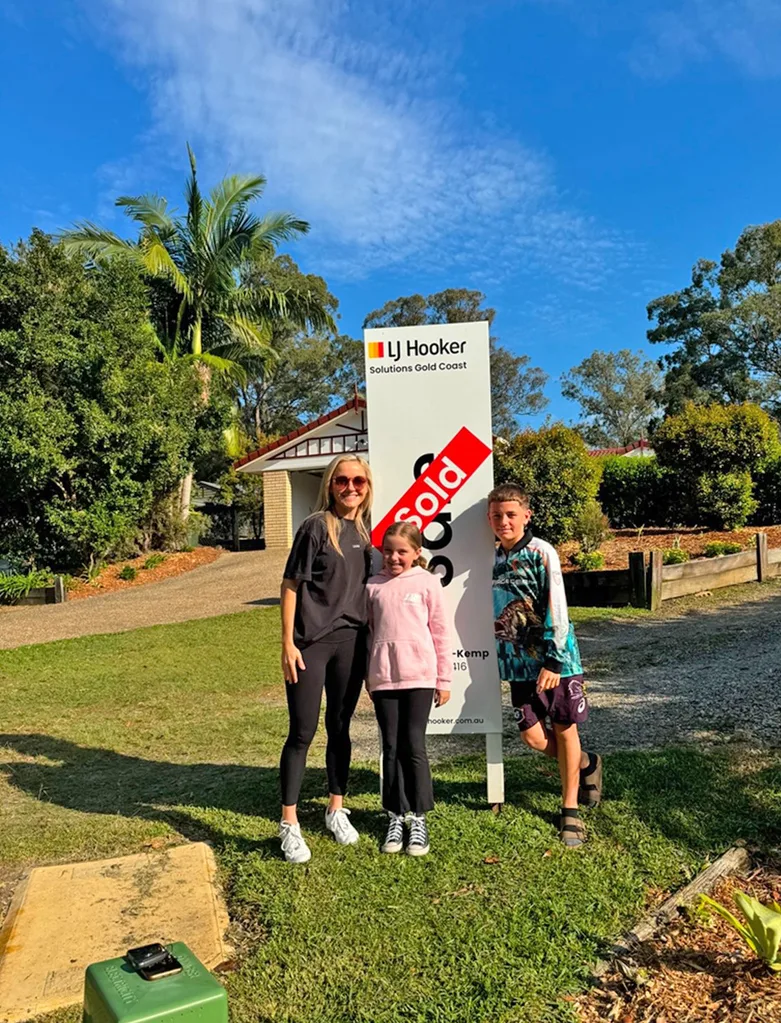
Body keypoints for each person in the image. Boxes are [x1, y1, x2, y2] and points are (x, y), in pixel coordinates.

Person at [487, 483, 602, 847]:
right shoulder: (493, 558)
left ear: (527, 516)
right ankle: (586, 763)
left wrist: (553, 659)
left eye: (511, 515)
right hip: (519, 665)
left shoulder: (541, 551)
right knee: (533, 736)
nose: (503, 522)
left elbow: (557, 605)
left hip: (556, 663)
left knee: (564, 729)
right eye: (496, 515)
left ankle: (570, 809)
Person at [278, 455, 374, 864]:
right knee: (302, 732)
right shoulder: (316, 526)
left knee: (340, 726)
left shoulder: (367, 532)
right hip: (311, 644)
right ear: (330, 485)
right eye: (342, 480)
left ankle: (336, 808)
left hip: (352, 643)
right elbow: (290, 584)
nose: (350, 488)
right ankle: (289, 823)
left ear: (367, 487)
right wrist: (288, 642)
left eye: (358, 481)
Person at [365, 522, 452, 857]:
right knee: (390, 746)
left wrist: (444, 680)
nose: (394, 557)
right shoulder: (372, 585)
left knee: (413, 745)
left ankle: (418, 816)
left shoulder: (428, 582)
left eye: (402, 551)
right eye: (388, 551)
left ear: (417, 553)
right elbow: (369, 634)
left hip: (420, 678)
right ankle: (395, 814)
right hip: (384, 679)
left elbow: (440, 632)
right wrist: (369, 675)